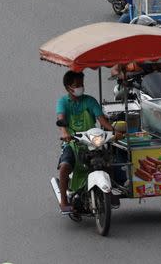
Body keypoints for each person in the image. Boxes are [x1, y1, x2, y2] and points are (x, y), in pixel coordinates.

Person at [56, 70, 114, 214]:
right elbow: (61, 119)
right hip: (73, 142)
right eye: (76, 85)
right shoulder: (63, 102)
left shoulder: (90, 101)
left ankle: (109, 192)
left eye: (81, 84)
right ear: (68, 87)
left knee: (109, 163)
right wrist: (64, 133)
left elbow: (102, 120)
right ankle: (63, 200)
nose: (80, 87)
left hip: (93, 141)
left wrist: (113, 131)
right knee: (64, 167)